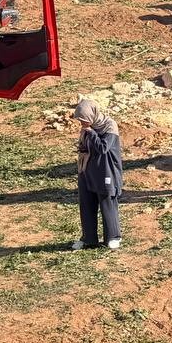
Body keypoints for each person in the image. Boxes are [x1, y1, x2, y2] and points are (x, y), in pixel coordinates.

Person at [72, 98, 123, 251]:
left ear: (92, 115)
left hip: (105, 170)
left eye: (84, 120)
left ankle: (113, 237)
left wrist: (91, 132)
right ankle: (89, 238)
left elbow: (103, 148)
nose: (82, 124)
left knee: (107, 203)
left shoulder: (109, 126)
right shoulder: (88, 128)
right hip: (87, 170)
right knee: (87, 203)